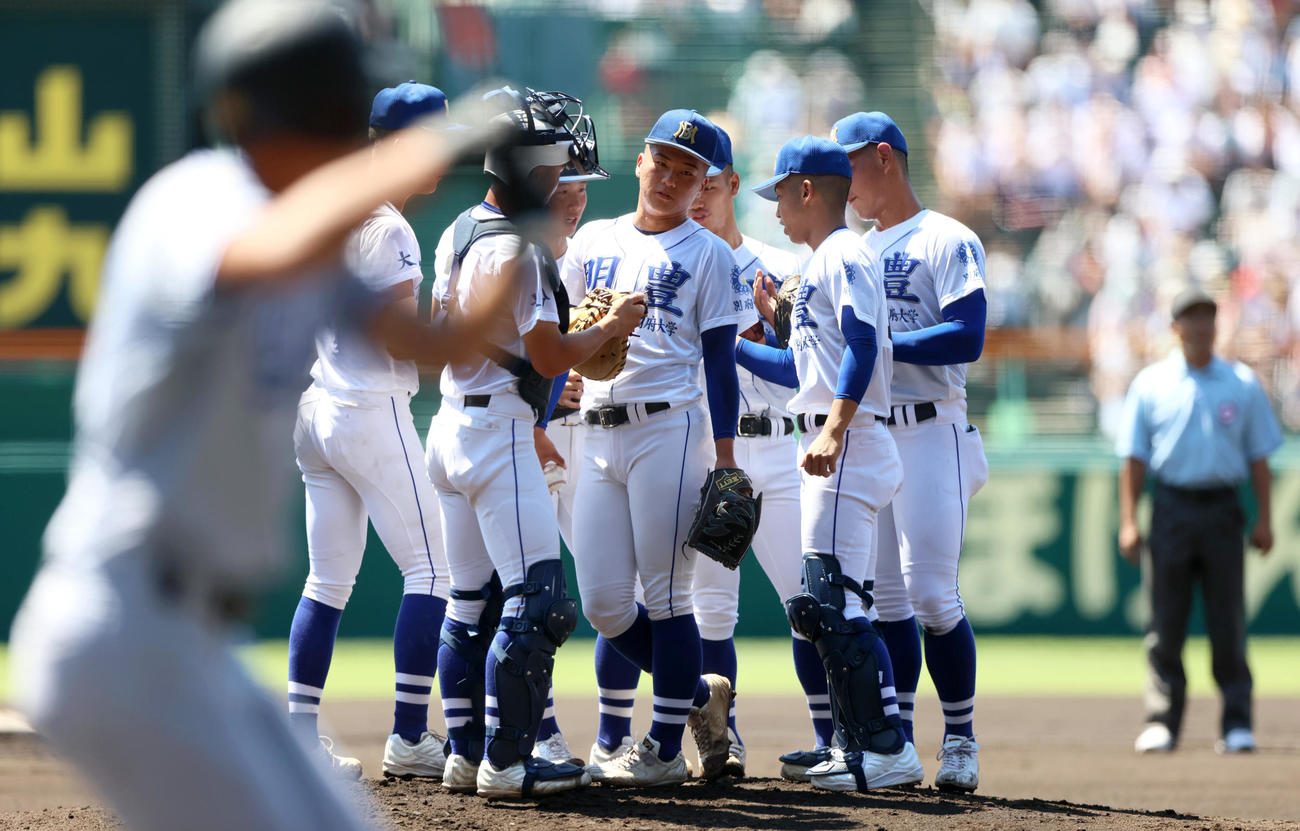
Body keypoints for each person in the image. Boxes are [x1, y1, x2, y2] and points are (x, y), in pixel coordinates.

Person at [7, 2, 518, 829]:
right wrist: (430, 148)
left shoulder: (314, 233)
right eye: (339, 106)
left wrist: (519, 228)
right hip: (125, 622)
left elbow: (429, 340)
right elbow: (261, 252)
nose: (348, 126)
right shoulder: (199, 198)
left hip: (191, 643)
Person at [425, 87, 646, 799]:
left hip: (452, 424)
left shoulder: (458, 229)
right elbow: (552, 359)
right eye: (559, 160)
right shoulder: (522, 251)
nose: (566, 174)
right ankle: (511, 761)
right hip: (496, 437)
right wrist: (610, 329)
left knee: (468, 602)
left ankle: (465, 753)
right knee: (538, 601)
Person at [562, 109, 751, 787]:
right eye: (663, 162)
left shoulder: (711, 254)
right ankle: (701, 697)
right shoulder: (593, 240)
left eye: (688, 171)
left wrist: (726, 456)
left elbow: (722, 363)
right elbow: (559, 334)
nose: (672, 178)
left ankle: (666, 747)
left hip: (669, 429)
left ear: (703, 182)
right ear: (640, 160)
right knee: (605, 604)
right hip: (597, 426)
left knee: (669, 598)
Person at [736, 135, 923, 791]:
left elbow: (866, 342)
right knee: (835, 605)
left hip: (843, 443)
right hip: (831, 436)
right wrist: (738, 345)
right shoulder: (823, 261)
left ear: (808, 190)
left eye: (782, 193)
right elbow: (800, 368)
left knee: (830, 605)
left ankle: (886, 748)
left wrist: (836, 428)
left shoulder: (844, 252)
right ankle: (855, 744)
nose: (777, 208)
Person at [286, 81, 458, 782]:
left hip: (318, 406)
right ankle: (412, 735)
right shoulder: (388, 225)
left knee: (327, 580)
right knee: (434, 569)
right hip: (368, 406)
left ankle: (298, 736)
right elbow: (407, 342)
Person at [827, 111, 989, 791]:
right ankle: (891, 745)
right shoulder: (852, 249)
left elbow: (968, 334)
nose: (842, 181)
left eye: (850, 165)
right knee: (885, 603)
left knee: (930, 594)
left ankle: (960, 740)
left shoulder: (947, 237)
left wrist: (881, 349)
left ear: (886, 158)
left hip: (931, 428)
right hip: (875, 430)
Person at [1117, 286, 1280, 755]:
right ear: (1175, 327)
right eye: (1192, 317)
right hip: (1171, 506)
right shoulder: (1151, 384)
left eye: (1208, 316)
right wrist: (1129, 520)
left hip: (1224, 508)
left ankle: (1236, 722)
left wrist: (1264, 517)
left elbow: (1260, 459)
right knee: (1165, 620)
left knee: (1228, 618)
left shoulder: (1241, 383)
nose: (1202, 326)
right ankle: (1162, 720)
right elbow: (1132, 459)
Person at [530, 160, 611, 768]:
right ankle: (536, 730)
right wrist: (552, 390)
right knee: (528, 590)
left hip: (580, 435)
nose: (577, 200)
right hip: (529, 435)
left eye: (583, 189)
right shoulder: (519, 252)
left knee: (609, 587)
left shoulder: (582, 253)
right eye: (567, 188)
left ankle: (611, 736)